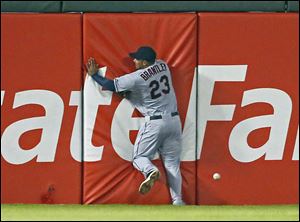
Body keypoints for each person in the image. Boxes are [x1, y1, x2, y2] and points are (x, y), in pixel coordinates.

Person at [85, 46, 185, 205]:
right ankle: (178, 201)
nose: (134, 60)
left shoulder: (137, 77)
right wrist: (132, 94)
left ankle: (150, 171)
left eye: (137, 59)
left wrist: (94, 76)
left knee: (140, 157)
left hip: (155, 123)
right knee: (172, 164)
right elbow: (141, 88)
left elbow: (111, 86)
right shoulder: (163, 66)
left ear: (145, 62)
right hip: (174, 121)